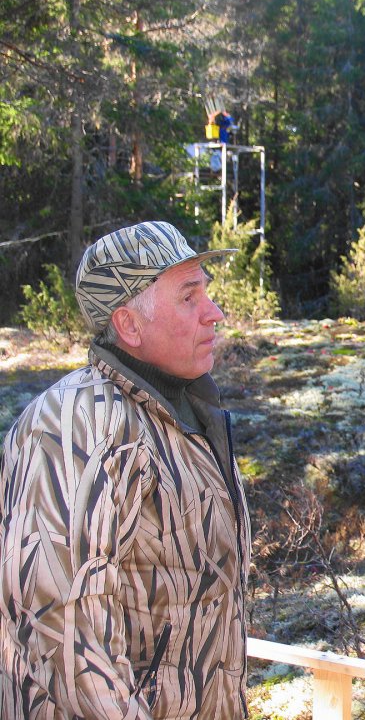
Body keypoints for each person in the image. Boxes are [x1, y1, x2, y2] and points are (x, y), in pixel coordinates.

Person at [0, 221, 250, 719]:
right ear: (129, 325)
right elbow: (66, 637)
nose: (214, 313)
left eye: (206, 292)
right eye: (188, 297)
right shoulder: (76, 426)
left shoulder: (183, 412)